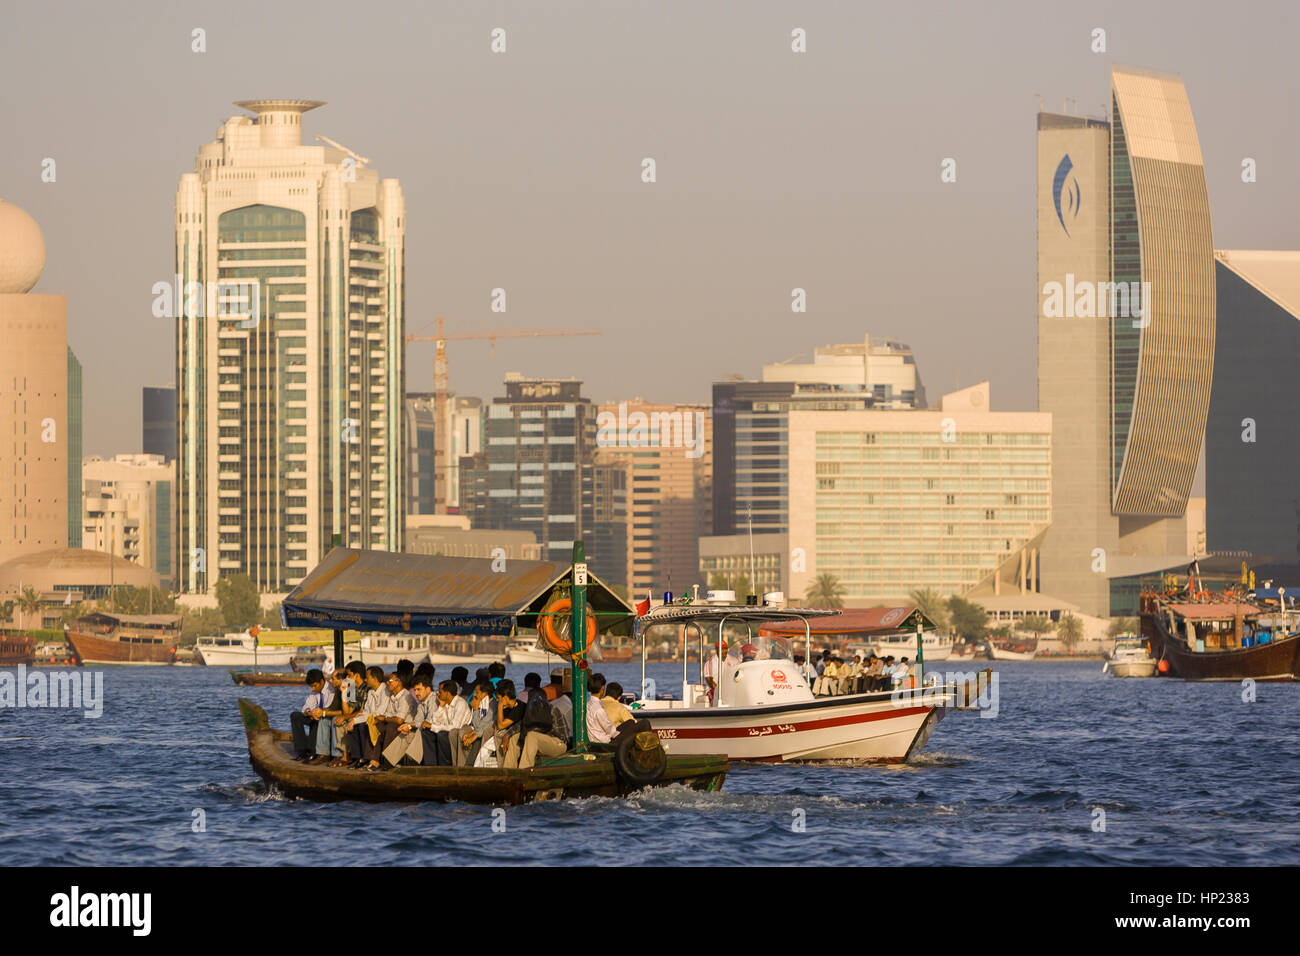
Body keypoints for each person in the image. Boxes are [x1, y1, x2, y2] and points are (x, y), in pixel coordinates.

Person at [503, 677, 568, 769]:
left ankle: (524, 772)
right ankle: (508, 771)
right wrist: (507, 735)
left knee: (531, 736)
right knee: (514, 738)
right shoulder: (530, 710)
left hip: (558, 744)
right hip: (538, 742)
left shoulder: (552, 710)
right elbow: (520, 725)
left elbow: (563, 736)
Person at [342, 665, 389, 770]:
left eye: (368, 677)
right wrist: (353, 720)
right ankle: (359, 758)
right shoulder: (371, 692)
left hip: (381, 720)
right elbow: (367, 710)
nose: (366, 679)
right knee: (353, 726)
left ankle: (368, 758)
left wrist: (355, 720)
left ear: (375, 679)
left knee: (363, 726)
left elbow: (378, 713)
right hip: (370, 718)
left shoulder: (385, 691)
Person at [383, 674, 435, 767]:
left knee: (418, 731)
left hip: (435, 729)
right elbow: (418, 720)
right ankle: (389, 761)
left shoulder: (433, 700)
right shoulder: (421, 703)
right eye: (415, 690)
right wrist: (409, 726)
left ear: (428, 689)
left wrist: (410, 725)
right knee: (406, 732)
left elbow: (428, 721)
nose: (416, 693)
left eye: (419, 689)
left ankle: (412, 761)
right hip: (424, 727)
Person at [290, 669, 335, 760]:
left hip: (326, 717)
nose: (313, 689)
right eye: (311, 687)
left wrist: (317, 714)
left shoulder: (331, 690)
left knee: (318, 719)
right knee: (295, 716)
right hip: (315, 715)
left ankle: (312, 751)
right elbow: (306, 706)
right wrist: (309, 713)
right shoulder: (315, 690)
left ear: (322, 681)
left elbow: (329, 708)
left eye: (314, 686)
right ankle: (302, 751)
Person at [451, 679, 496, 767]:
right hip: (476, 730)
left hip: (485, 732)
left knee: (472, 738)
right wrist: (475, 709)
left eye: (477, 692)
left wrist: (472, 736)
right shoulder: (479, 703)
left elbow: (483, 725)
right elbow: (474, 724)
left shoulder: (492, 705)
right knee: (453, 733)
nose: (474, 694)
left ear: (484, 694)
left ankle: (466, 765)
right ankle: (456, 764)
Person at [425, 679, 472, 765]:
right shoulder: (445, 704)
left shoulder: (460, 703)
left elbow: (455, 726)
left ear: (447, 693)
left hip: (458, 733)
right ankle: (431, 764)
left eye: (440, 691)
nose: (438, 694)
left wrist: (432, 726)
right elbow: (435, 722)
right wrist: (441, 707)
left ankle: (445, 765)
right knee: (427, 733)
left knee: (442, 735)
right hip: (446, 731)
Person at [311, 669, 350, 764]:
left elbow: (345, 712)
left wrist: (324, 713)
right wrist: (319, 712)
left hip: (350, 718)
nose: (330, 681)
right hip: (342, 715)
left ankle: (338, 755)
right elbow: (333, 708)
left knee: (334, 719)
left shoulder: (350, 690)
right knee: (323, 719)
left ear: (341, 680)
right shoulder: (338, 691)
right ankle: (323, 754)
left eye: (333, 679)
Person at [585, 673, 618, 744]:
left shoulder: (588, 704)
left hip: (596, 737)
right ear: (602, 688)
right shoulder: (598, 709)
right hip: (603, 742)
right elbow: (610, 730)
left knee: (629, 723)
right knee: (642, 724)